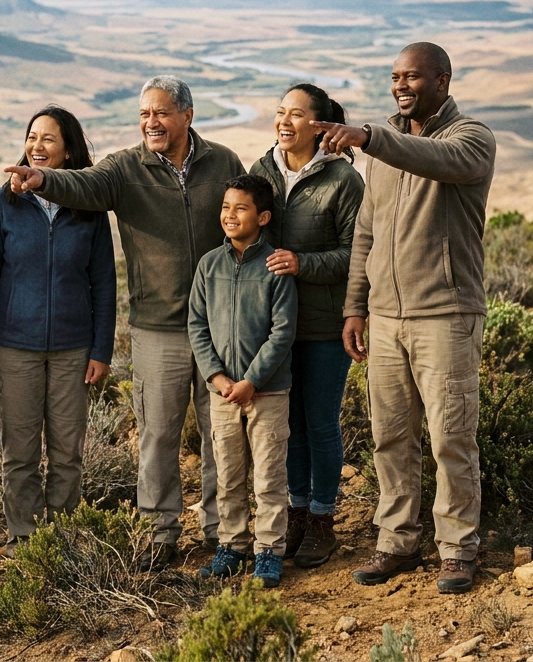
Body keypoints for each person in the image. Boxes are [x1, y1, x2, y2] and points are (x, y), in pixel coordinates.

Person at [5, 76, 244, 568]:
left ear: (187, 116)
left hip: (222, 325)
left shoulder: (223, 162)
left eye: (160, 113)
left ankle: (226, 532)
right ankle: (160, 534)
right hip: (158, 327)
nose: (150, 123)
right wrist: (43, 179)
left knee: (223, 434)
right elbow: (86, 183)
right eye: (143, 115)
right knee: (157, 434)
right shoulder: (124, 168)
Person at [312, 42, 496, 595]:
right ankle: (396, 541)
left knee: (450, 438)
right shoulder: (385, 151)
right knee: (391, 437)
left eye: (412, 77)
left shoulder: (471, 138)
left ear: (442, 80)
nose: (401, 85)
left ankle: (458, 549)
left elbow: (437, 160)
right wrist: (355, 306)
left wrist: (373, 137)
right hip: (386, 318)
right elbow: (366, 232)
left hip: (445, 313)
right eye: (395, 76)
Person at [0, 106, 116, 556]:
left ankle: (64, 536)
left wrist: (101, 349)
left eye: (48, 139)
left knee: (67, 450)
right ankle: (25, 538)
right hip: (14, 346)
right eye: (32, 137)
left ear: (69, 149)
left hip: (75, 348)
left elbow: (105, 283)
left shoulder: (87, 208)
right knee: (19, 450)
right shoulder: (4, 202)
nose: (37, 146)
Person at [249, 84, 364, 569]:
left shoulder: (342, 180)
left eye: (296, 114)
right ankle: (295, 511)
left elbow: (356, 253)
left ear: (319, 125)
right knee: (286, 425)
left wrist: (302, 263)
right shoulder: (262, 171)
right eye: (280, 112)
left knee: (318, 422)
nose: (284, 121)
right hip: (275, 323)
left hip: (321, 322)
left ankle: (322, 517)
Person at [188, 174, 297, 588]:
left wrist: (251, 380)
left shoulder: (275, 267)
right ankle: (231, 547)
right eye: (225, 208)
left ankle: (268, 551)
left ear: (263, 216)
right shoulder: (208, 266)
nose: (230, 216)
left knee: (269, 477)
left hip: (266, 392)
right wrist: (216, 376)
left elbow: (282, 332)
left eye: (241, 208)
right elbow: (197, 324)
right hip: (222, 393)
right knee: (228, 475)